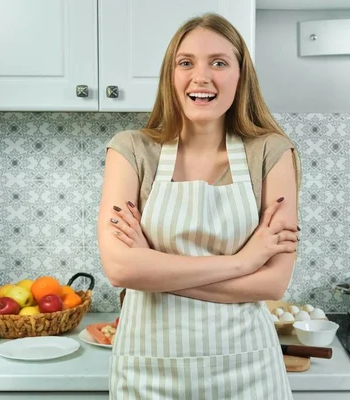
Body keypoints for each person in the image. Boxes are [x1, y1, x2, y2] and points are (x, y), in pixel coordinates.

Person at [97, 12, 301, 399]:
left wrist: (155, 271)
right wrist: (243, 263)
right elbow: (121, 268)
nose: (201, 77)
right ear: (170, 75)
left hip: (247, 371)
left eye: (219, 63)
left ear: (241, 76)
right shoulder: (131, 150)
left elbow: (273, 282)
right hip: (148, 370)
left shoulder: (272, 153)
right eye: (186, 62)